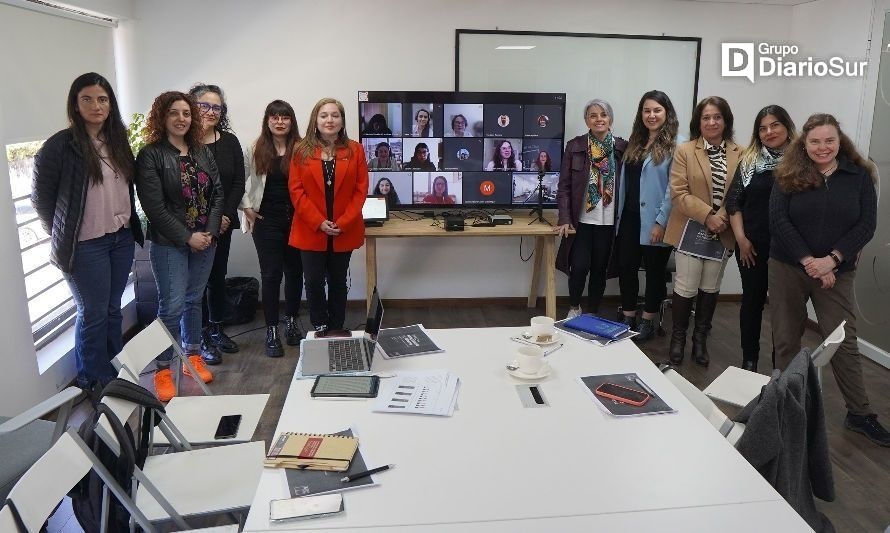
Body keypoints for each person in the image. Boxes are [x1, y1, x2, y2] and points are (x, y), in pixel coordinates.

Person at [769, 113, 888, 447]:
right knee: (786, 339)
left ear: (840, 141)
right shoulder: (787, 174)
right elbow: (778, 220)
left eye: (829, 140)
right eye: (815, 141)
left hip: (837, 270)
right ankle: (783, 406)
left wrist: (832, 260)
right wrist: (810, 262)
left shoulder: (859, 176)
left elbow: (866, 224)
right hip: (788, 266)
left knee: (843, 342)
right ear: (804, 144)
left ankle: (860, 414)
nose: (822, 147)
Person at [31, 72, 145, 391]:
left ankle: (115, 368)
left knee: (111, 309)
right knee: (93, 312)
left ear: (110, 104)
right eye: (88, 99)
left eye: (103, 99)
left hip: (120, 238)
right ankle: (93, 379)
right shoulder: (59, 146)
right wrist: (61, 233)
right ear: (75, 104)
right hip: (85, 246)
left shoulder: (117, 140)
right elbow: (42, 199)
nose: (96, 105)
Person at [136, 91, 224, 402]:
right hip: (170, 242)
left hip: (206, 240)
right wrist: (188, 237)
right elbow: (154, 208)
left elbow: (218, 195)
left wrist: (209, 232)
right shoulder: (150, 155)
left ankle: (192, 357)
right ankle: (162, 369)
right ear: (162, 117)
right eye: (174, 112)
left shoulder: (202, 151)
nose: (181, 118)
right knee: (171, 306)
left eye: (186, 113)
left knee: (193, 300)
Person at [663, 96, 740, 367]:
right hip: (689, 229)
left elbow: (739, 192)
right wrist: (708, 215)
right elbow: (678, 193)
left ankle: (700, 340)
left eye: (717, 117)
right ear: (699, 122)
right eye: (706, 117)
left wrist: (722, 218)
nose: (711, 122)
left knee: (710, 286)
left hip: (724, 230)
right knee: (686, 285)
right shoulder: (685, 150)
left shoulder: (740, 153)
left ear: (726, 120)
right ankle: (678, 339)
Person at [725, 105, 796, 372]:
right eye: (763, 128)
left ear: (787, 126)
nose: (769, 132)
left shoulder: (801, 162)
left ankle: (782, 365)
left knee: (783, 310)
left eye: (775, 125)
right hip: (751, 247)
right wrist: (741, 240)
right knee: (752, 303)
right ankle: (749, 360)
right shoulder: (750, 160)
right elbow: (734, 202)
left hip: (788, 251)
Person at [289, 98, 368, 335]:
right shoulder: (301, 150)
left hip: (344, 229)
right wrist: (318, 222)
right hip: (310, 228)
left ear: (342, 120)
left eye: (335, 115)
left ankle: (336, 327)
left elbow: (360, 190)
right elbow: (296, 190)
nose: (329, 120)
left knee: (338, 281)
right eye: (324, 115)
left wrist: (342, 222)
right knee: (313, 282)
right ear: (316, 119)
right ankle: (320, 326)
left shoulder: (355, 149)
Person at [615, 90, 681, 342]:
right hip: (630, 218)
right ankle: (629, 316)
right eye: (646, 110)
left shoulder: (677, 144)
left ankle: (648, 321)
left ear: (667, 113)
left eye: (657, 110)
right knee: (626, 269)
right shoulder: (636, 141)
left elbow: (673, 189)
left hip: (656, 221)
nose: (651, 115)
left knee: (654, 272)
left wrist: (660, 222)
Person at [241, 100, 305, 357]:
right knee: (271, 275)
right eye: (274, 117)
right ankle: (271, 330)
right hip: (267, 220)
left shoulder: (302, 148)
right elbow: (240, 179)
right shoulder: (255, 148)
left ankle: (290, 321)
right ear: (267, 120)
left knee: (295, 272)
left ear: (291, 121)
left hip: (297, 220)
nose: (280, 121)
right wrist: (246, 207)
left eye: (285, 117)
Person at [555, 99, 627, 318]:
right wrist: (565, 218)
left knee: (599, 271)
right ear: (586, 120)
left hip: (609, 222)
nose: (599, 119)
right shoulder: (575, 146)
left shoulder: (623, 148)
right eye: (593, 115)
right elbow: (564, 186)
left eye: (603, 115)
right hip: (582, 221)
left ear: (610, 119)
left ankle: (593, 313)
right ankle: (574, 307)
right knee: (578, 267)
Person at [189, 83, 245, 360]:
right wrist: (203, 224)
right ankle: (199, 337)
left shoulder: (230, 141)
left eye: (217, 107)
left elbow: (236, 182)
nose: (211, 112)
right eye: (205, 106)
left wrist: (225, 216)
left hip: (223, 222)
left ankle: (216, 329)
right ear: (192, 106)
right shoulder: (182, 142)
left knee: (217, 278)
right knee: (195, 283)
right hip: (192, 227)